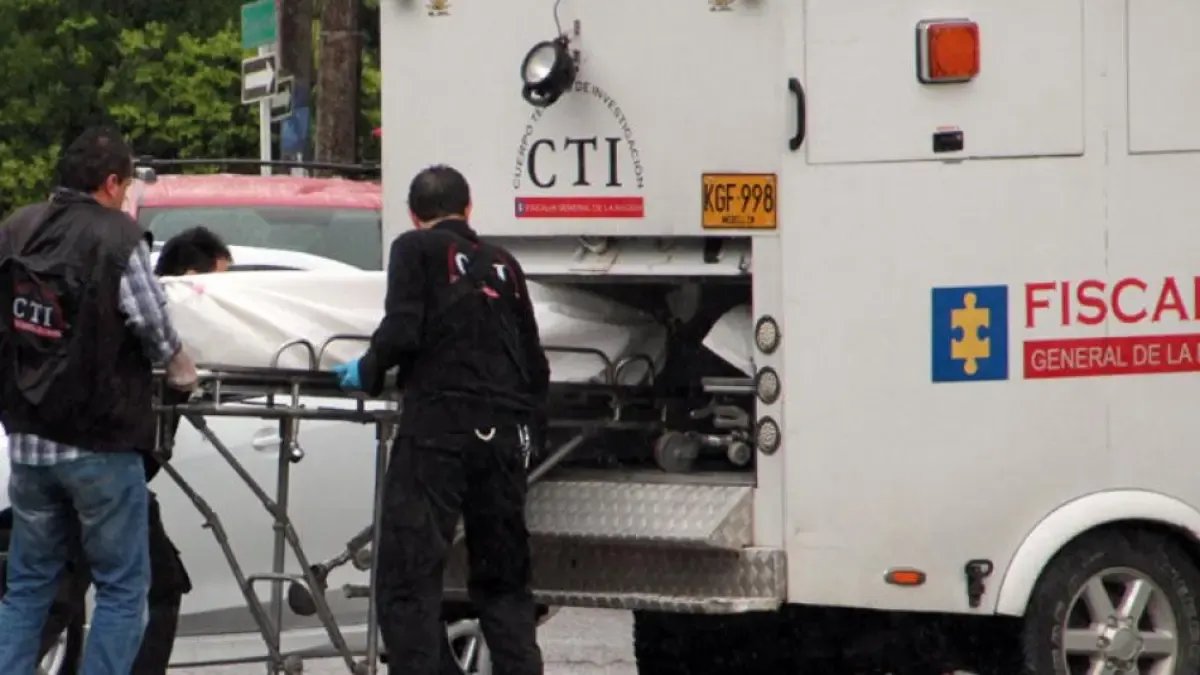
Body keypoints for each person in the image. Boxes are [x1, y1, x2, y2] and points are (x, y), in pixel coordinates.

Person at [333, 164, 549, 675]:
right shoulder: (504, 264)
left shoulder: (414, 249)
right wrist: (532, 436)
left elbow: (404, 329)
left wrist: (365, 369)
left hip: (440, 430)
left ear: (413, 216)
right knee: (504, 585)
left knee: (407, 583)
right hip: (503, 438)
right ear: (469, 208)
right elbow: (535, 363)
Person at [0, 126, 198, 674]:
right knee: (120, 588)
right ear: (112, 183)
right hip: (101, 443)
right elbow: (154, 325)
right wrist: (183, 374)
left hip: (29, 444)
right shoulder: (116, 237)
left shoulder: (17, 229)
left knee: (27, 589)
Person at [29, 225, 234, 674]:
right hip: (108, 469)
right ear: (190, 277)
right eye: (223, 280)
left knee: (56, 592)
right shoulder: (162, 332)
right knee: (133, 587)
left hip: (75, 463)